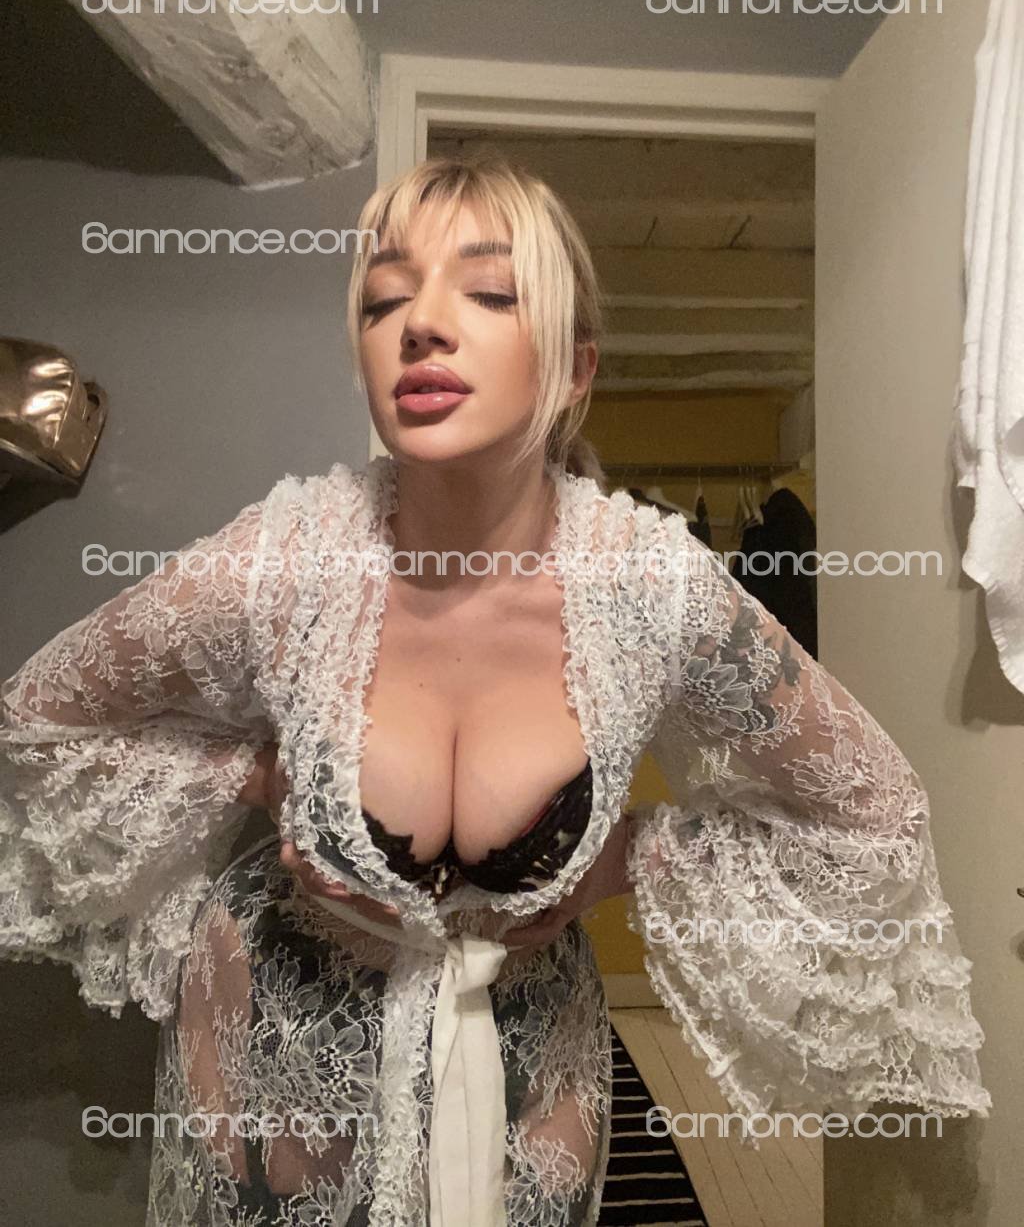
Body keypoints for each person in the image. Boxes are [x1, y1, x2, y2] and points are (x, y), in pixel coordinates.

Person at [0, 155, 990, 1227]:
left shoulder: (650, 587)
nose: (420, 325)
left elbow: (875, 808)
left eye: (486, 292)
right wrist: (261, 777)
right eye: (384, 300)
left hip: (525, 1075)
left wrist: (620, 859)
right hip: (276, 1059)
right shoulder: (284, 559)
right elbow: (33, 719)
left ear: (572, 369)